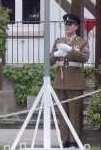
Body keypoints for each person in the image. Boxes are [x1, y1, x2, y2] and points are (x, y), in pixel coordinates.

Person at [50, 13, 89, 148]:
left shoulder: (81, 42)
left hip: (75, 82)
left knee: (75, 114)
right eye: (66, 24)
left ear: (76, 26)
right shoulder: (58, 41)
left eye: (70, 24)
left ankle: (74, 141)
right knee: (62, 114)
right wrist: (55, 55)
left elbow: (85, 58)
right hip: (60, 82)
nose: (67, 26)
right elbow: (49, 62)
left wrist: (70, 50)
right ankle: (64, 141)